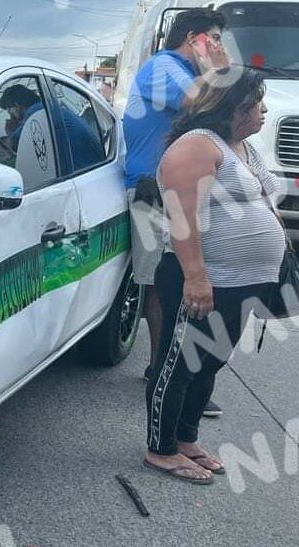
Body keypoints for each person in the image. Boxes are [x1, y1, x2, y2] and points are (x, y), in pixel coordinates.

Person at [144, 68, 284, 484]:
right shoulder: (195, 148)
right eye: (255, 103)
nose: (263, 110)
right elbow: (183, 221)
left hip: (242, 280)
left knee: (210, 362)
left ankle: (186, 438)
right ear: (228, 106)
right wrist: (196, 278)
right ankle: (161, 449)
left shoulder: (239, 145)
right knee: (179, 365)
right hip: (205, 279)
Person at [123, 9, 229, 421]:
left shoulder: (184, 71)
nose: (221, 48)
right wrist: (217, 71)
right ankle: (163, 373)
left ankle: (172, 373)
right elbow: (202, 108)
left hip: (175, 191)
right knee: (163, 283)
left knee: (177, 279)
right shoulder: (164, 68)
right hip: (154, 191)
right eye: (215, 38)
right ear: (194, 38)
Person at [0, 84, 104, 171]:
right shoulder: (47, 108)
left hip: (83, 172)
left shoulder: (37, 112)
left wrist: (10, 130)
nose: (9, 113)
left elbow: (15, 144)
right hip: (90, 167)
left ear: (17, 104)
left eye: (9, 109)